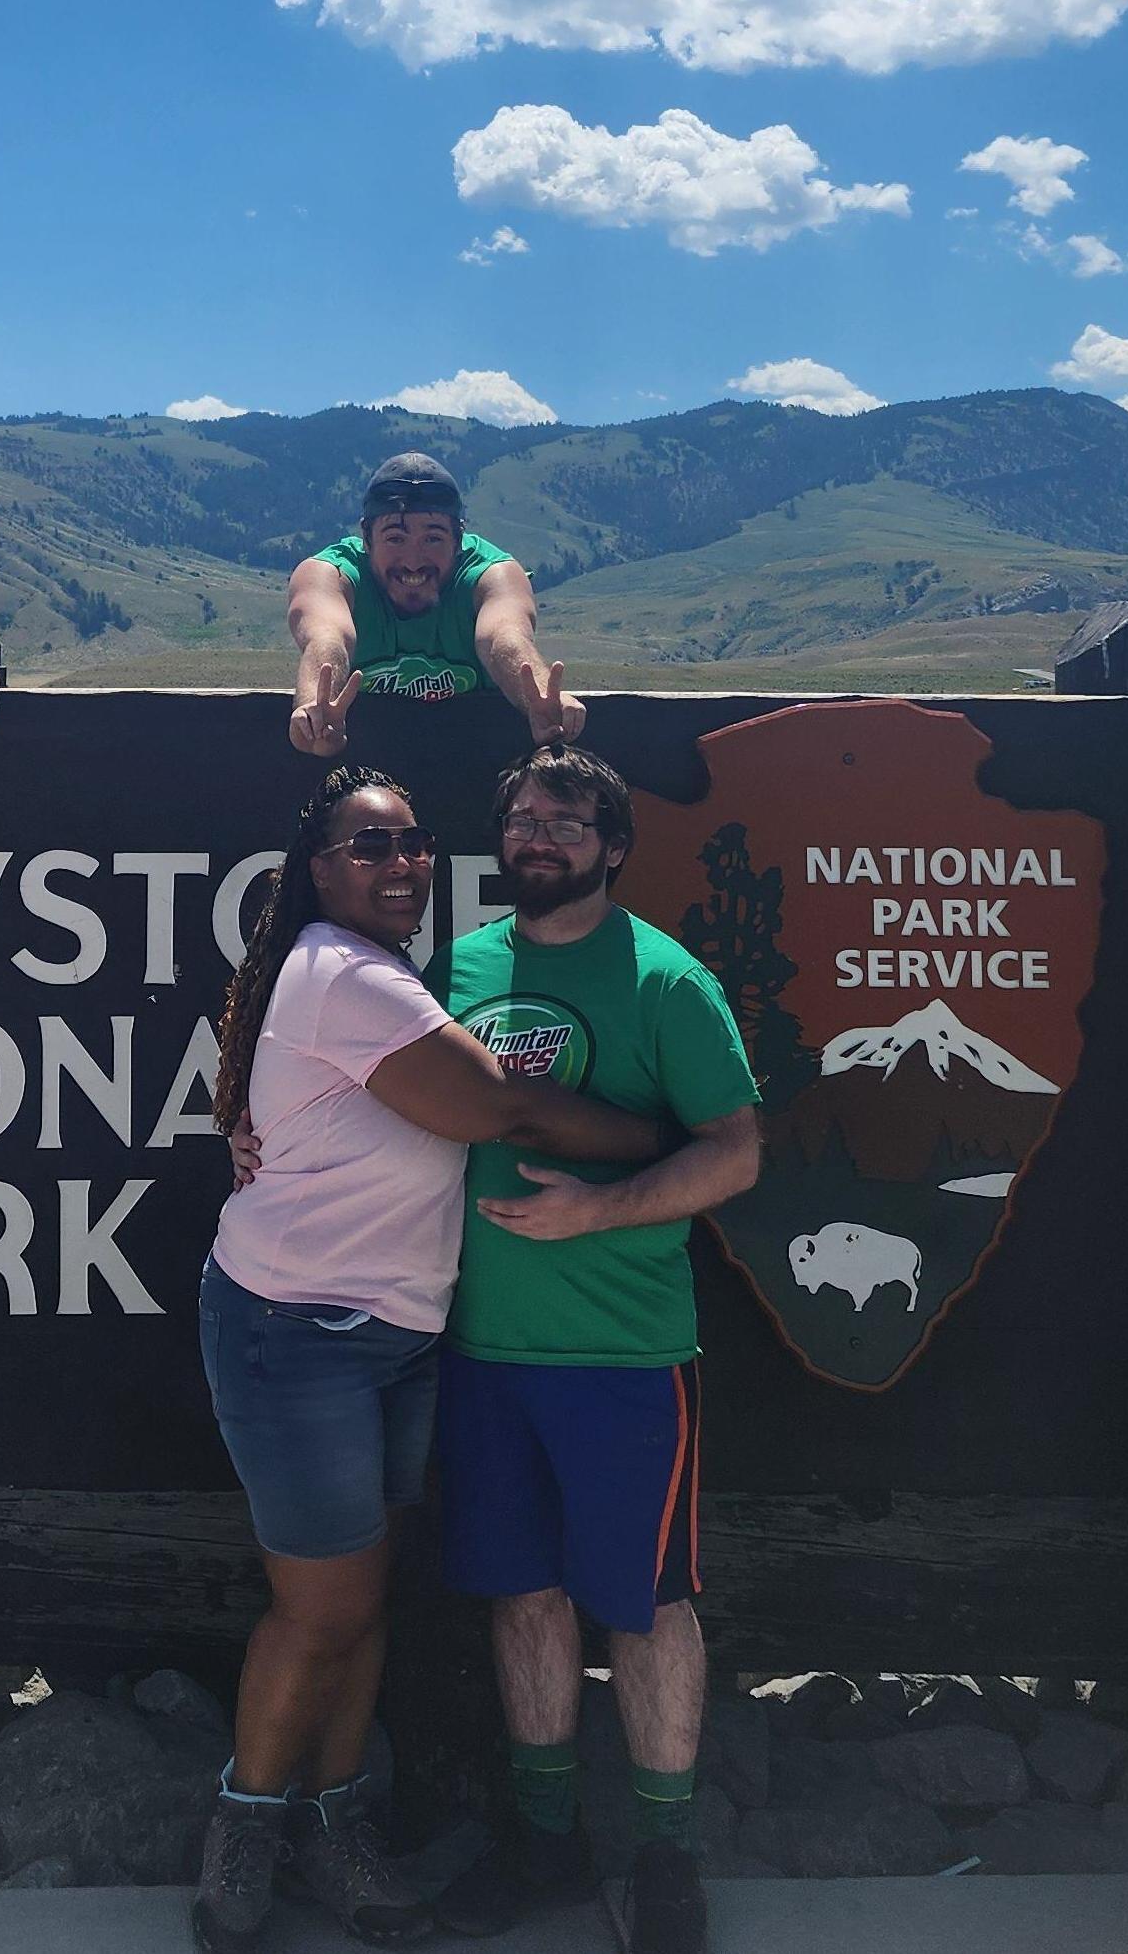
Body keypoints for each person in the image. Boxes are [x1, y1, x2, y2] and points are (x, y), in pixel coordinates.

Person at [192, 763, 666, 1954]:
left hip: (397, 1335)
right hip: (297, 1329)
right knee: (322, 1609)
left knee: (361, 1602)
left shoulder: (390, 973)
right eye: (368, 846)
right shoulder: (344, 973)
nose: (399, 863)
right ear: (317, 871)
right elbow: (499, 1108)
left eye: (411, 842)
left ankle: (335, 1829)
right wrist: (664, 1141)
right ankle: (244, 1833)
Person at [421, 744, 761, 1954]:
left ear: (613, 846)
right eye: (523, 816)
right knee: (523, 1596)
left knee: (650, 1605)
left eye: (567, 822)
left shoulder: (666, 981)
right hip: (481, 1351)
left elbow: (734, 1152)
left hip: (623, 1357)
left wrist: (598, 1212)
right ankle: (545, 1843)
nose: (539, 836)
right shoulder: (455, 969)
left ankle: (667, 1858)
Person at [286, 452, 584, 757]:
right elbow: (328, 638)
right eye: (395, 539)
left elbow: (503, 638)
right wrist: (315, 715)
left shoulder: (492, 573)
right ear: (366, 537)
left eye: (433, 539)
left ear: (458, 539)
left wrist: (541, 698)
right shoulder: (331, 574)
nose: (413, 562)